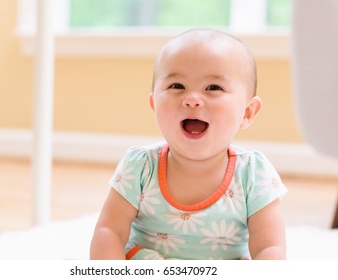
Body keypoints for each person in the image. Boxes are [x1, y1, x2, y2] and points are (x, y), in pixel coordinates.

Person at [90, 28, 287, 260]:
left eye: (213, 88)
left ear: (247, 112)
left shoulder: (253, 174)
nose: (192, 99)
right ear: (154, 104)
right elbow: (110, 231)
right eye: (177, 86)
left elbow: (269, 248)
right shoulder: (141, 166)